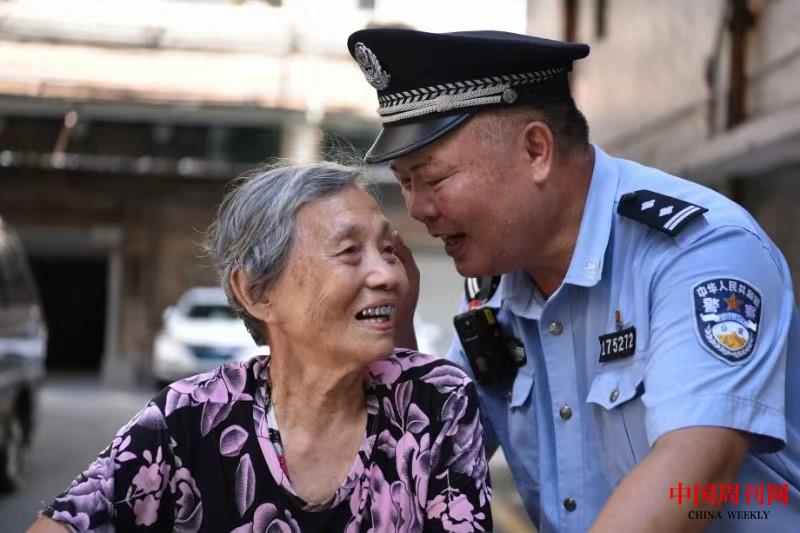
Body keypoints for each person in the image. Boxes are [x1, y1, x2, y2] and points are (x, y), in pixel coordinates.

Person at [347, 28, 800, 532]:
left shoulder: (698, 252)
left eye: (433, 179)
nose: (417, 208)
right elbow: (438, 462)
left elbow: (696, 467)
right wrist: (395, 335)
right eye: (405, 182)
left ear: (536, 150)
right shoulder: (498, 286)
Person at [28, 162, 492, 532]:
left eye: (388, 251)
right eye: (350, 251)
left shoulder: (435, 401)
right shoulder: (191, 417)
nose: (388, 274)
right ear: (257, 292)